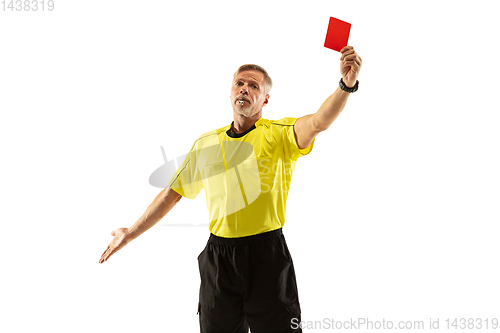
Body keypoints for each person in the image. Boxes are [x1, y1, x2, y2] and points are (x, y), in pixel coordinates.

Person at [99, 46, 362, 333]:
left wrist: (345, 86)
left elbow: (318, 121)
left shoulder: (279, 134)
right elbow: (171, 194)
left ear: (265, 99)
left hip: (266, 257)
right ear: (230, 92)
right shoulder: (206, 143)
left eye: (253, 86)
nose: (245, 89)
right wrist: (130, 232)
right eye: (240, 83)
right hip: (219, 260)